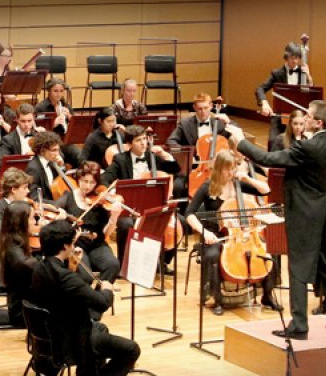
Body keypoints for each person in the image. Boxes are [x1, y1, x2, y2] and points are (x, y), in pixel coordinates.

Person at [226, 99, 326, 340]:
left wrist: (239, 141)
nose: (305, 120)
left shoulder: (308, 147)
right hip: (323, 210)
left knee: (299, 269)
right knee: (323, 265)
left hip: (305, 213)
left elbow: (268, 159)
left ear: (318, 122)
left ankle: (299, 325)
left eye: (308, 116)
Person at [32, 220, 140, 376]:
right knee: (131, 349)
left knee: (101, 328)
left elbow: (63, 292)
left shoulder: (39, 267)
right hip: (72, 339)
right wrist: (106, 289)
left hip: (50, 333)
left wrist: (72, 268)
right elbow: (102, 303)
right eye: (71, 244)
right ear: (64, 246)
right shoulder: (66, 277)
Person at [185, 150, 277, 316]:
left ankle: (267, 295)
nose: (230, 173)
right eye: (227, 169)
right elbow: (189, 213)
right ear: (218, 169)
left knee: (268, 253)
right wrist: (204, 232)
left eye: (233, 168)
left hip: (240, 235)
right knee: (213, 255)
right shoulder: (208, 186)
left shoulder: (238, 183)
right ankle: (216, 298)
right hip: (215, 235)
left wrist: (248, 178)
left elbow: (266, 190)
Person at [101, 124, 180, 267]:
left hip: (153, 206)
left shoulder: (152, 157)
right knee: (125, 224)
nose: (144, 143)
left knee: (181, 224)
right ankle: (123, 264)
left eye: (144, 139)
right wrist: (113, 193)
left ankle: (162, 263)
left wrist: (164, 154)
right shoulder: (120, 159)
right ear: (129, 144)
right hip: (131, 207)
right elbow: (105, 179)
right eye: (138, 140)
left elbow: (176, 169)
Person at [56, 161, 120, 285]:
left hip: (97, 244)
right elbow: (56, 212)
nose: (88, 186)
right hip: (77, 245)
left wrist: (114, 217)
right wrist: (59, 216)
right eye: (85, 181)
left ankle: (99, 298)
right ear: (79, 178)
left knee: (113, 265)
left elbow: (105, 233)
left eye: (92, 183)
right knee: (86, 277)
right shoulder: (68, 197)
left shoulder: (100, 201)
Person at [255, 41, 314, 148]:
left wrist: (309, 78)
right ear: (286, 57)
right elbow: (260, 89)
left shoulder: (303, 73)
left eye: (297, 58)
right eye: (292, 57)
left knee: (305, 141)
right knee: (273, 141)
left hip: (298, 117)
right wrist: (264, 103)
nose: (295, 61)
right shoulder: (277, 74)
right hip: (280, 115)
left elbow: (310, 94)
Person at [0, 200, 38, 326]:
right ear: (21, 222)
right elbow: (25, 265)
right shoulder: (13, 248)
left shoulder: (13, 240)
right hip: (23, 311)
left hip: (25, 304)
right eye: (32, 218)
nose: (35, 222)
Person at [35, 78, 81, 168]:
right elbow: (37, 131)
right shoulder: (41, 107)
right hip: (50, 144)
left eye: (61, 91)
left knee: (80, 156)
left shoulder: (65, 105)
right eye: (55, 91)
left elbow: (75, 128)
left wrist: (70, 117)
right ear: (49, 91)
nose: (59, 94)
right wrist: (53, 124)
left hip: (65, 141)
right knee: (59, 159)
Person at [26, 131, 66, 202]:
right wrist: (57, 203)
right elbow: (35, 198)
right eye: (54, 150)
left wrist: (61, 167)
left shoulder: (52, 162)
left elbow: (61, 184)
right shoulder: (33, 169)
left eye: (58, 150)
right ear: (42, 151)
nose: (57, 154)